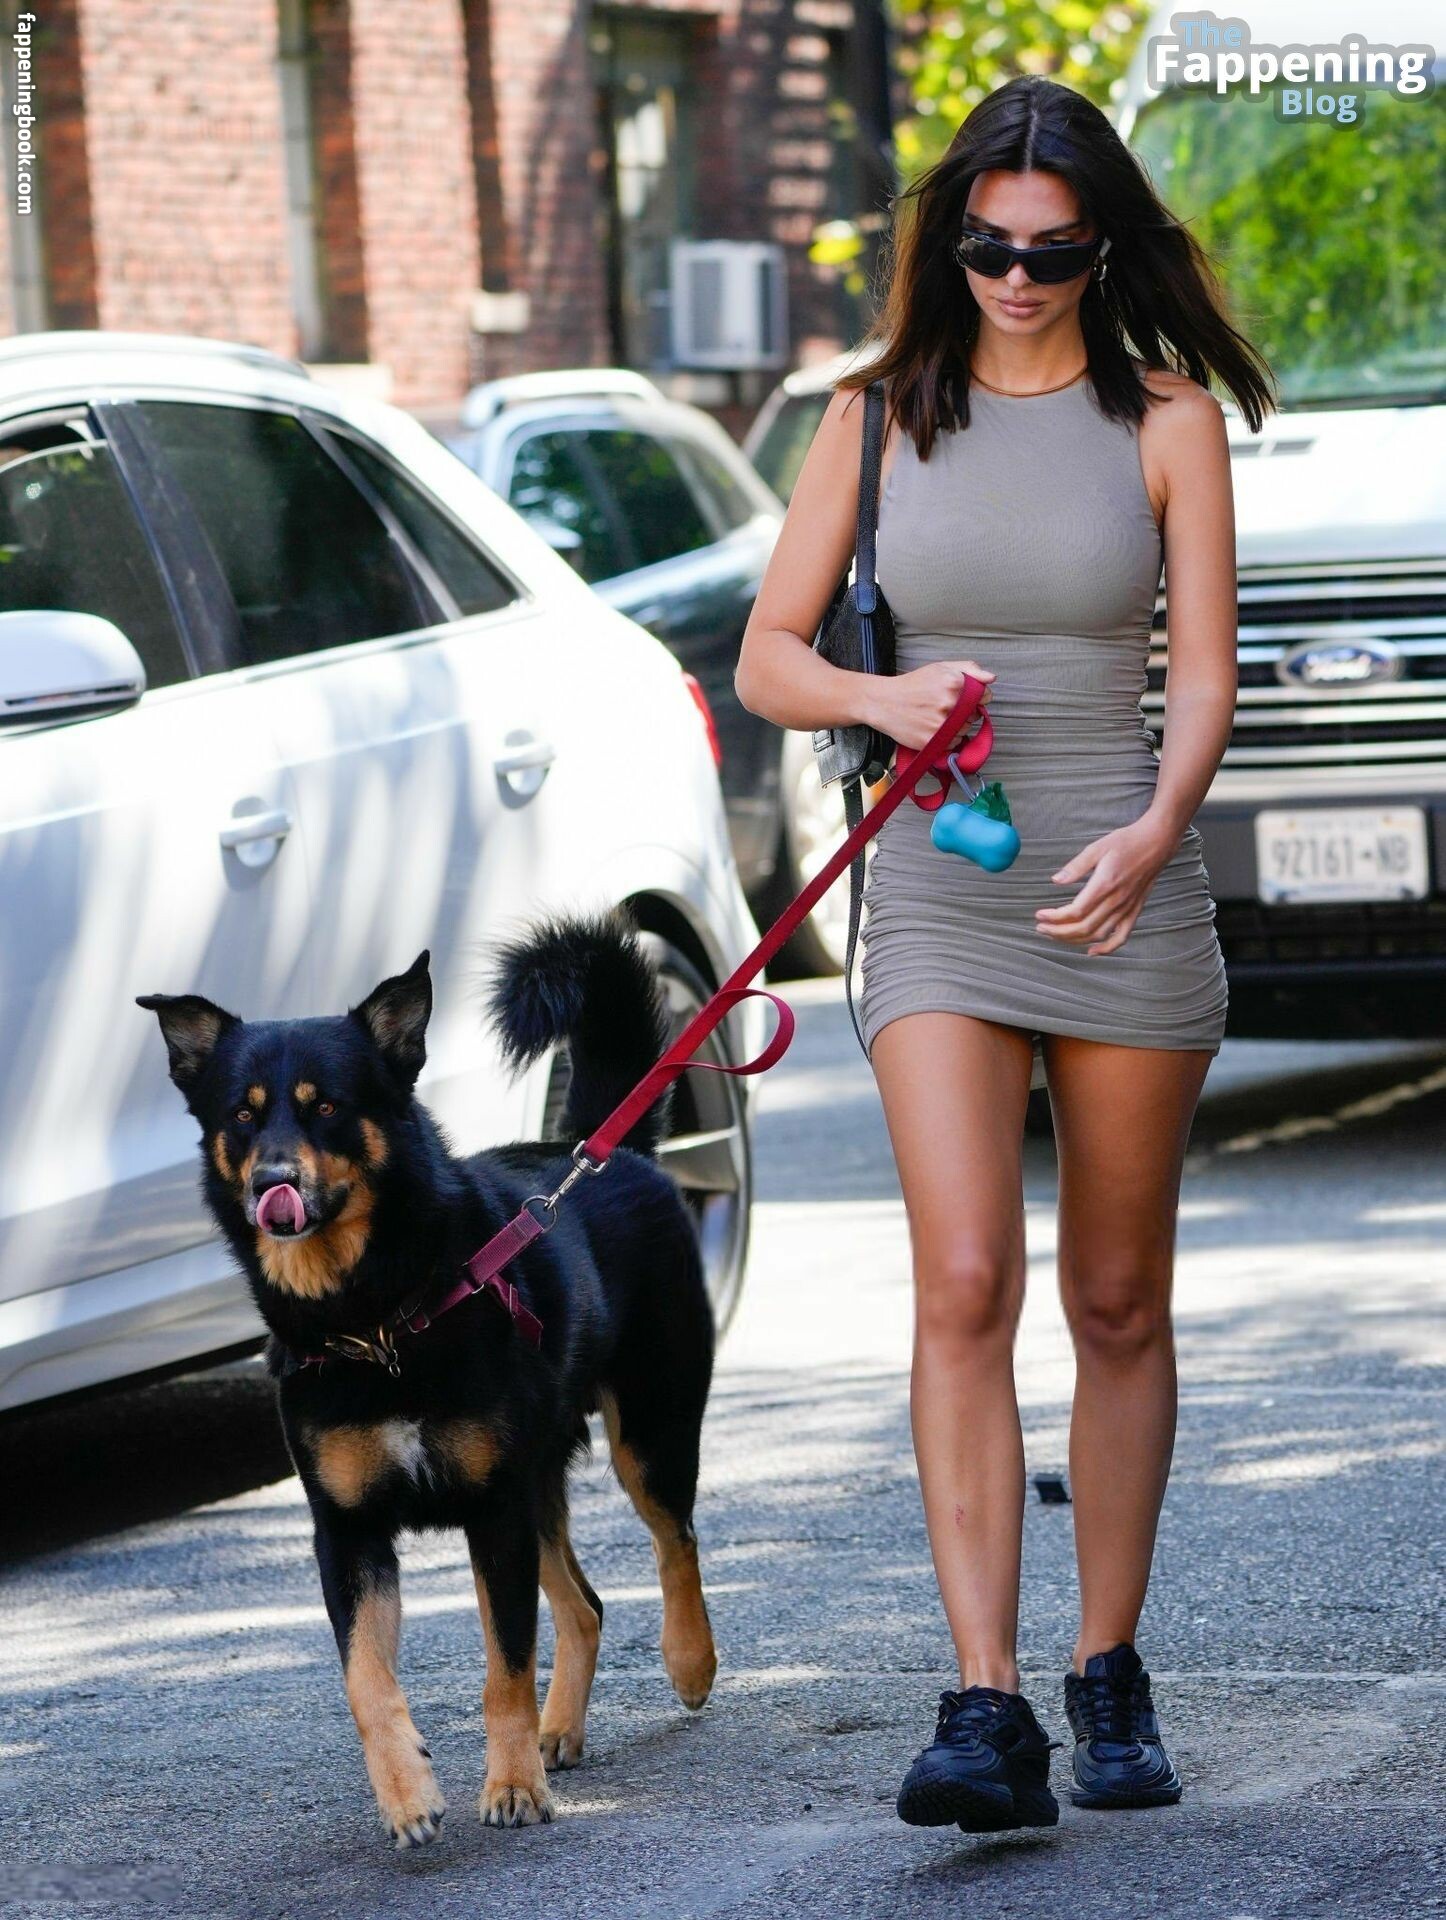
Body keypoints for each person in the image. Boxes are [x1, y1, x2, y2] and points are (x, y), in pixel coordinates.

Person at [734, 73, 1274, 1834]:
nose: (1017, 278)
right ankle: (983, 1702)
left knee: (1115, 1300)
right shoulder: (872, 418)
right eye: (987, 247)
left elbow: (1203, 672)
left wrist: (1156, 827)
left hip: (1120, 882)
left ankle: (1105, 1669)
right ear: (945, 240)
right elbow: (767, 655)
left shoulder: (1167, 422)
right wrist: (879, 695)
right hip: (941, 895)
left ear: (1101, 248)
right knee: (962, 1280)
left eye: (1051, 251)